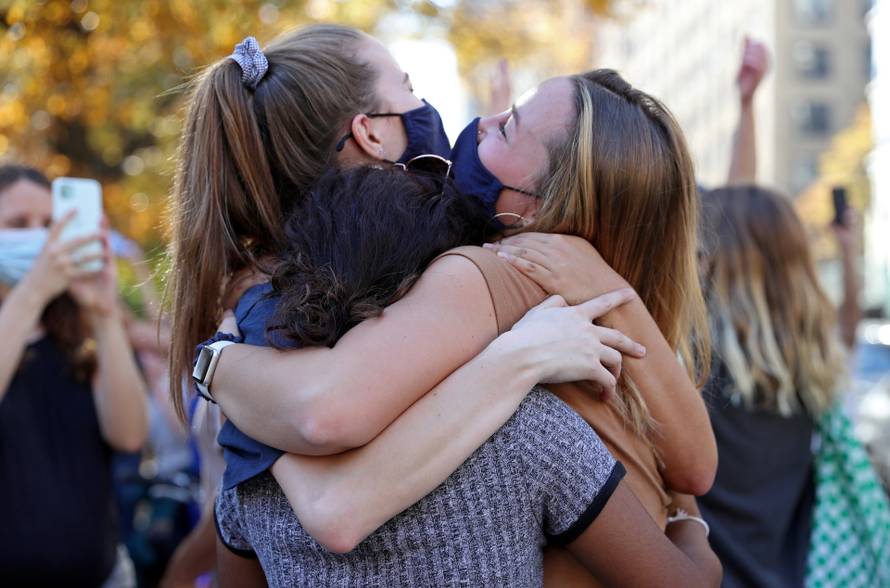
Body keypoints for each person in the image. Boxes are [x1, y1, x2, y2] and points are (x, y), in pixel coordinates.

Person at [196, 61, 718, 584]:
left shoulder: (498, 274)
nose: (481, 123)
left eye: (509, 126)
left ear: (539, 207)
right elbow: (695, 472)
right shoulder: (571, 289)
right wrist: (688, 521)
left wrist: (218, 360)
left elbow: (326, 431)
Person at [0, 164, 149, 586]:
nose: (42, 238)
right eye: (17, 224)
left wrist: (102, 311)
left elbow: (130, 435)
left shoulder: (80, 332)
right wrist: (32, 291)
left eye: (50, 224)